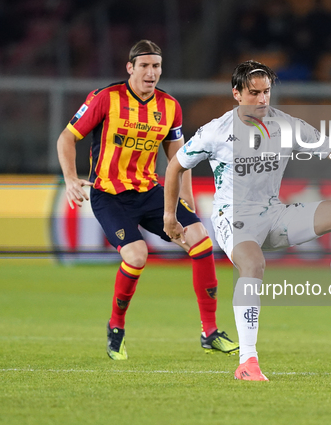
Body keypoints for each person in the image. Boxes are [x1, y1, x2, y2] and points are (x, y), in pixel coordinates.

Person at [163, 60, 331, 381]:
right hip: (233, 218)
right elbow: (176, 165)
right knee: (253, 264)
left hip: (273, 213)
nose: (262, 100)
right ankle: (248, 362)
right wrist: (170, 214)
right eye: (254, 93)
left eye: (267, 92)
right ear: (236, 94)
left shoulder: (286, 125)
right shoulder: (216, 131)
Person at [56, 40, 238, 361]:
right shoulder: (105, 98)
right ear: (130, 68)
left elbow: (181, 158)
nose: (151, 72)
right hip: (110, 196)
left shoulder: (170, 107)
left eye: (156, 66)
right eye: (144, 66)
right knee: (137, 255)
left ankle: (209, 332)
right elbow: (67, 137)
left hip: (149, 191)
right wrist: (70, 178)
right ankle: (116, 327)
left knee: (200, 240)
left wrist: (187, 203)